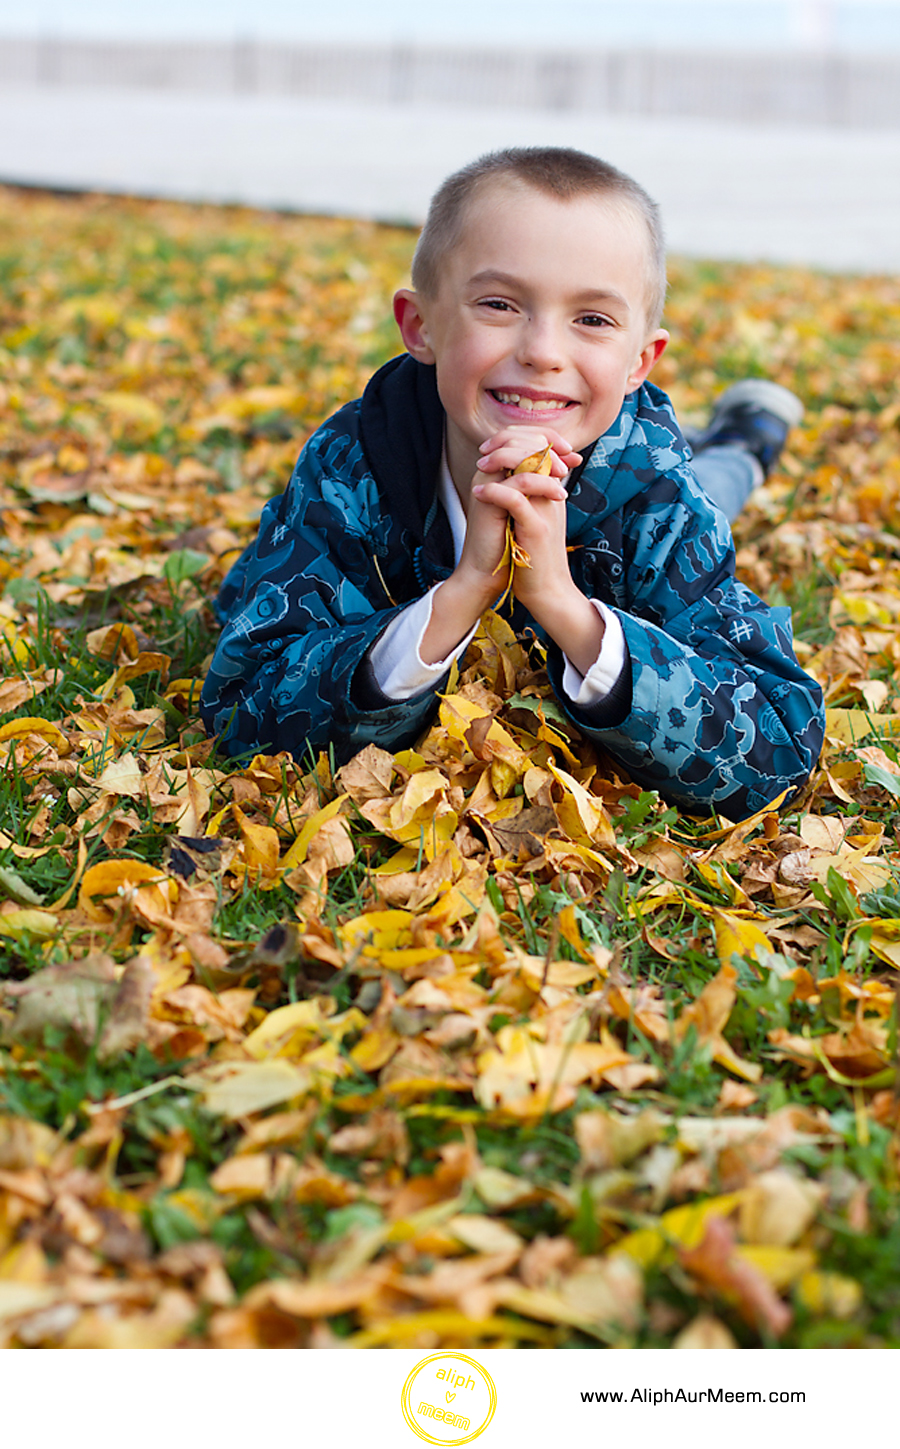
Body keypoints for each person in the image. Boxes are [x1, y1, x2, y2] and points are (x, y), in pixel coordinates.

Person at [199, 146, 824, 820]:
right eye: (499, 304)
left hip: (658, 466)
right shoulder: (352, 464)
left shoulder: (660, 497)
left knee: (715, 486)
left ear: (641, 361)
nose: (543, 353)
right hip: (580, 457)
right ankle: (735, 435)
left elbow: (780, 748)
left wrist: (563, 605)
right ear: (421, 325)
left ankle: (747, 437)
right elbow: (241, 712)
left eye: (592, 319)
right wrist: (461, 594)